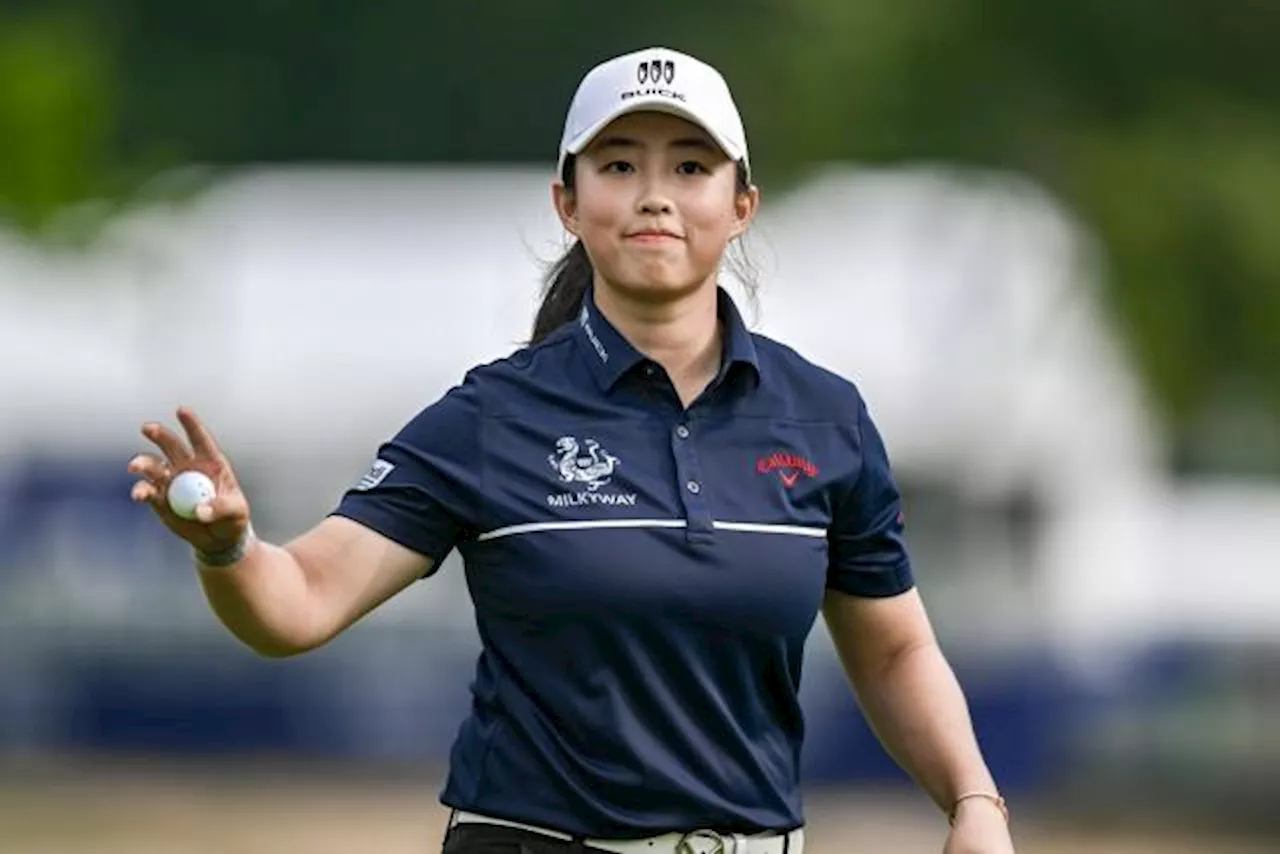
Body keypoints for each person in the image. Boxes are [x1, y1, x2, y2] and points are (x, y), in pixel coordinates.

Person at [128, 46, 1016, 854]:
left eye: (691, 167)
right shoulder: (491, 416)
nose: (655, 194)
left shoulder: (826, 420)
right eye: (620, 165)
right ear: (568, 200)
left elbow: (896, 650)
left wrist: (973, 800)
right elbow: (301, 603)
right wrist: (230, 548)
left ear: (741, 204)